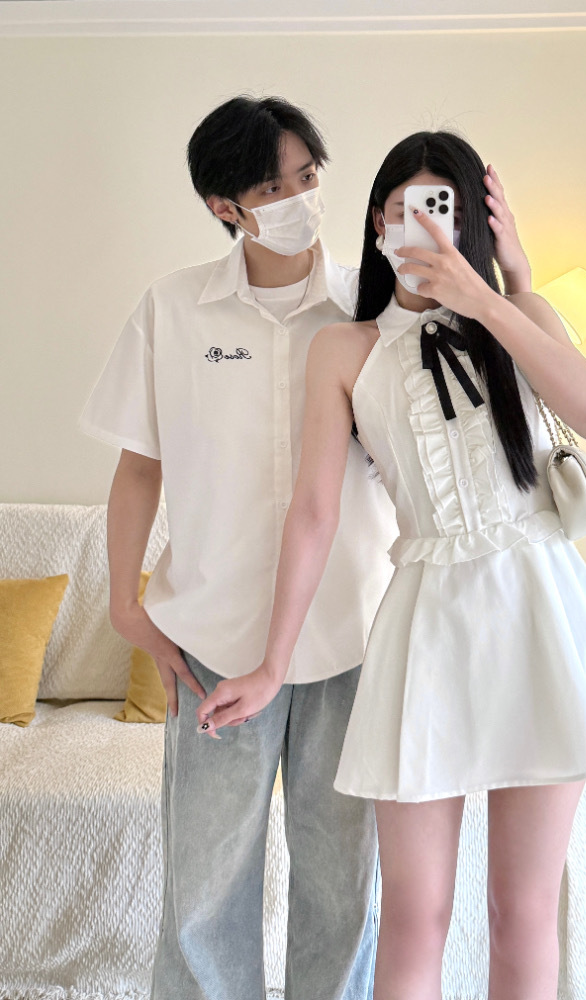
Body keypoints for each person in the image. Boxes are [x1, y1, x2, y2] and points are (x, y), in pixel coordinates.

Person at [197, 130, 586, 1000]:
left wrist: (494, 291)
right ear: (379, 223)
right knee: (416, 913)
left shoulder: (521, 317)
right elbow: (313, 513)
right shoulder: (345, 350)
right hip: (427, 626)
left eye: (442, 207)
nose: (422, 225)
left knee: (523, 912)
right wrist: (270, 665)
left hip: (540, 614)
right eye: (404, 207)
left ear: (475, 223)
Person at [79, 95, 408, 1000]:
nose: (302, 199)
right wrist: (124, 606)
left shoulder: (372, 307)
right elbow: (138, 467)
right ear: (225, 205)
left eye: (309, 176)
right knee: (203, 890)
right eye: (273, 187)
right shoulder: (172, 310)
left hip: (354, 632)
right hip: (215, 643)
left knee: (343, 887)